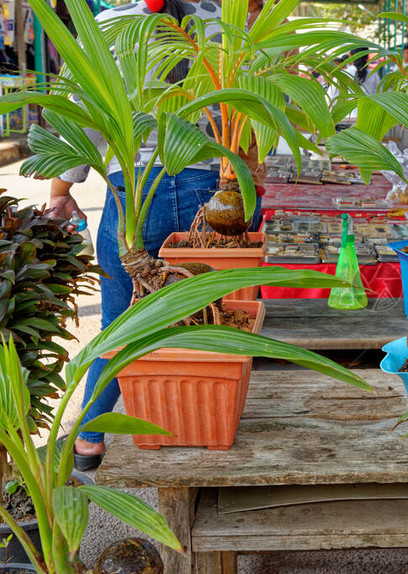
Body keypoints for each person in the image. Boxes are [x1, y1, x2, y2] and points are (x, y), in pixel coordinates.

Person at [48, 0, 261, 471]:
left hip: (134, 190)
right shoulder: (222, 23)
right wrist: (247, 173)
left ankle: (89, 439)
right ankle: (201, 422)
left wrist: (62, 188)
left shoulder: (107, 25)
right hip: (213, 191)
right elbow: (254, 116)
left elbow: (76, 116)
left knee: (120, 320)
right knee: (207, 314)